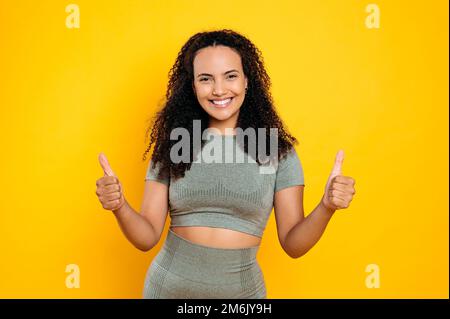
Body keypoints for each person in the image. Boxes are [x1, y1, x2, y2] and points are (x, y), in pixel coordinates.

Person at [95, 29, 356, 299]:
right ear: (193, 86)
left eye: (230, 76)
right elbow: (147, 237)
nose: (219, 90)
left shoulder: (275, 151)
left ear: (246, 81)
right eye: (206, 79)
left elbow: (293, 243)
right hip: (167, 291)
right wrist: (119, 206)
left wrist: (327, 207)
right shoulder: (174, 146)